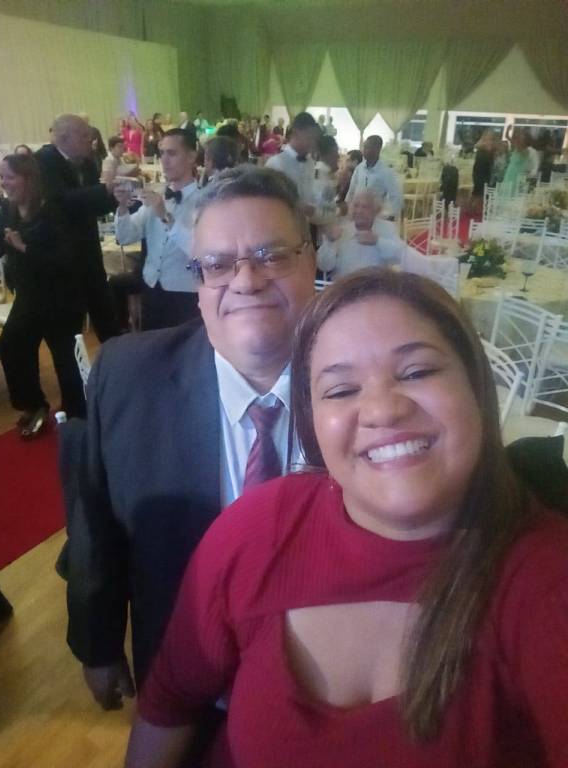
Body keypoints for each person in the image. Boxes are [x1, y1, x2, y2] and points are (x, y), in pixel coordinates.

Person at [127, 268, 568, 768]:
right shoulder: (260, 527)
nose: (382, 410)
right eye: (340, 390)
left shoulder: (544, 580)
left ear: (477, 388)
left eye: (417, 372)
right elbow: (170, 701)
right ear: (312, 421)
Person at [65, 166, 317, 709]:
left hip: (326, 694)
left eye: (271, 256)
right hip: (183, 689)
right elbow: (96, 525)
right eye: (218, 265)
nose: (245, 282)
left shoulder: (363, 382)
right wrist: (97, 645)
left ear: (311, 261)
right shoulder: (129, 377)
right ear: (199, 284)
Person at [0, 154, 86, 435]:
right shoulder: (9, 209)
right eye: (2, 176)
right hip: (29, 296)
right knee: (11, 345)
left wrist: (25, 248)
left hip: (61, 298)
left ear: (28, 179)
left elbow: (67, 260)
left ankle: (77, 415)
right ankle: (33, 404)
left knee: (65, 360)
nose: (3, 182)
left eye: (9, 177)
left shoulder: (53, 210)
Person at [35, 113, 119, 341]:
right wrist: (104, 190)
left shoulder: (87, 162)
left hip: (90, 255)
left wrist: (117, 197)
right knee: (70, 331)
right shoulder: (43, 160)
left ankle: (115, 361)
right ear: (64, 137)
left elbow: (92, 205)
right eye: (83, 135)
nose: (90, 140)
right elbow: (59, 201)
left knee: (108, 322)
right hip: (63, 261)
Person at [113, 129, 200, 330]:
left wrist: (164, 216)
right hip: (151, 289)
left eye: (172, 153)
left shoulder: (205, 201)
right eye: (162, 153)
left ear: (191, 157)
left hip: (185, 294)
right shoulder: (157, 196)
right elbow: (125, 237)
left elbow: (198, 251)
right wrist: (123, 207)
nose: (164, 160)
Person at [318, 190, 402, 276]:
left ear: (376, 211)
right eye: (355, 206)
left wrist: (377, 241)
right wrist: (330, 243)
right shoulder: (341, 227)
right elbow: (324, 266)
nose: (359, 211)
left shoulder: (387, 228)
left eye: (365, 207)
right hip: (345, 282)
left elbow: (399, 257)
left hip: (375, 282)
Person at [266, 111, 319, 219]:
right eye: (309, 138)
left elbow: (310, 195)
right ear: (295, 133)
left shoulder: (310, 163)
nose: (313, 143)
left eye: (314, 139)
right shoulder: (275, 163)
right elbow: (269, 202)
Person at [345, 135, 403, 220]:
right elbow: (351, 191)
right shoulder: (359, 168)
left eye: (367, 148)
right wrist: (349, 209)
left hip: (376, 217)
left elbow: (396, 197)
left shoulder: (386, 172)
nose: (363, 150)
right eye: (364, 147)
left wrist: (387, 216)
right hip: (357, 214)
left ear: (377, 149)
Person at [471, 130, 495, 214]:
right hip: (479, 169)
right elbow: (476, 146)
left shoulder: (491, 146)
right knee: (478, 189)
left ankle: (477, 208)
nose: (489, 138)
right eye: (488, 135)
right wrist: (485, 144)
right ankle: (474, 207)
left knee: (482, 190)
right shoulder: (481, 143)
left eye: (491, 136)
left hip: (486, 170)